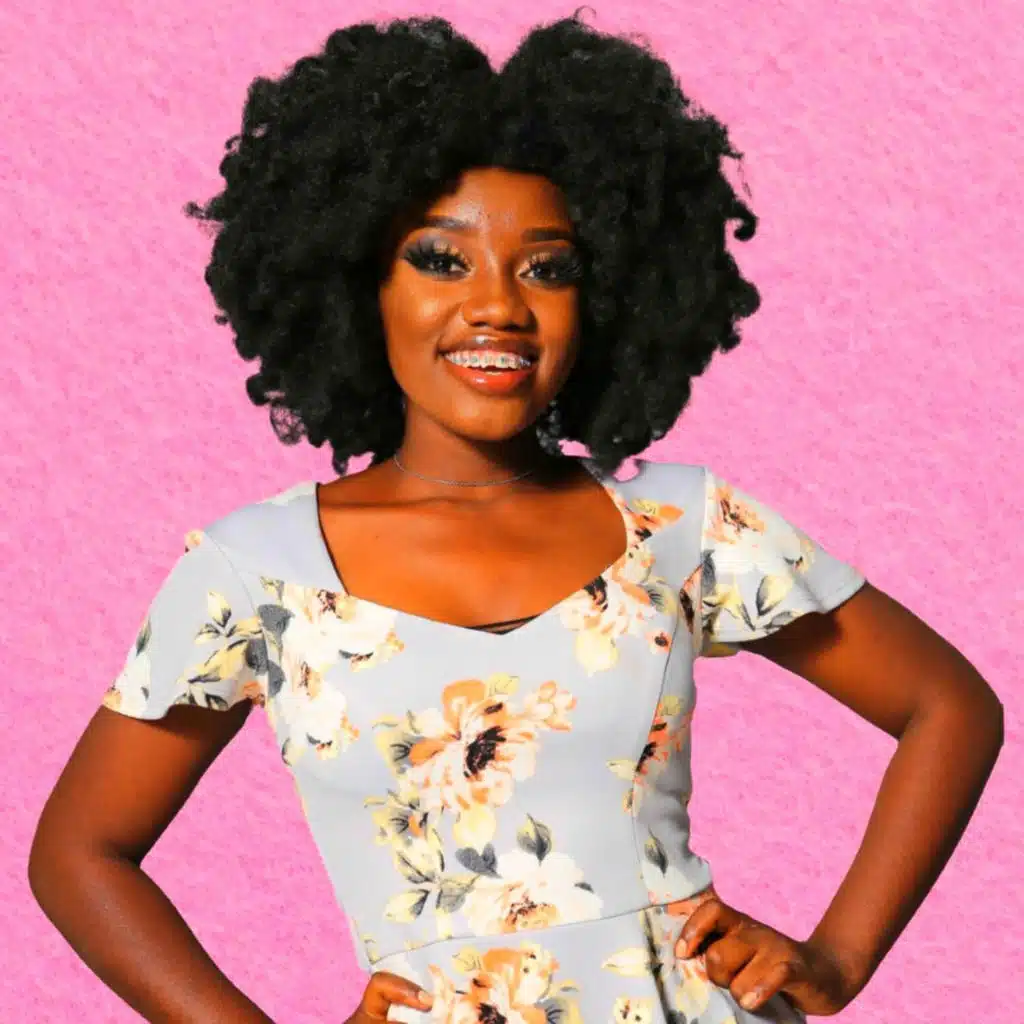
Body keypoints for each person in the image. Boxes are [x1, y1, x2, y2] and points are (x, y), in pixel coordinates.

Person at [28, 14, 1003, 1024]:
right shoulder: (257, 573)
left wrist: (836, 958)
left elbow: (949, 706)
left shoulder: (681, 525)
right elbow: (79, 853)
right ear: (358, 281)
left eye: (546, 267)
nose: (497, 305)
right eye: (441, 260)